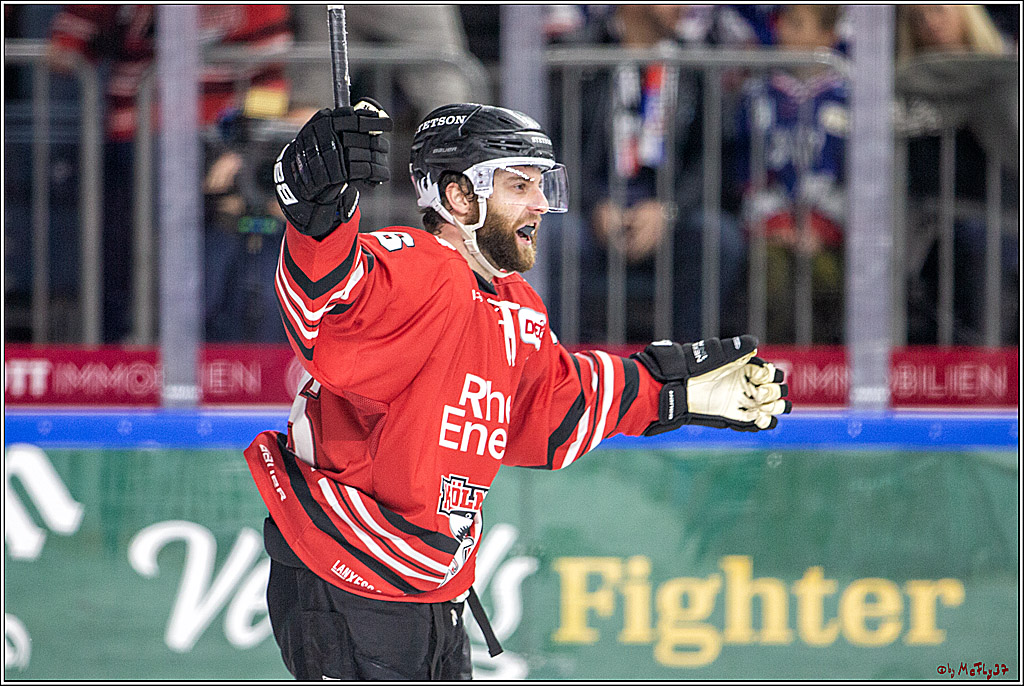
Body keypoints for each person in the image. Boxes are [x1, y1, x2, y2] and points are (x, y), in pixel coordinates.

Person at [242, 99, 791, 680]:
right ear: (459, 196)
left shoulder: (514, 304)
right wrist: (319, 212)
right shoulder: (418, 268)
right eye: (519, 184)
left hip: (430, 580)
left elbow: (550, 407)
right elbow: (329, 308)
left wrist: (669, 390)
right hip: (349, 571)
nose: (540, 204)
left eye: (542, 184)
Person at [46, 5, 293, 342]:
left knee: (223, 257)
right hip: (139, 135)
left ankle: (216, 358)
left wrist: (245, 147)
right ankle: (135, 351)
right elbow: (64, 52)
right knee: (136, 262)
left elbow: (271, 77)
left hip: (225, 145)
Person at [554, 5, 748, 343]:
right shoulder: (579, 54)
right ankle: (558, 367)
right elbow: (554, 145)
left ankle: (688, 367)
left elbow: (713, 157)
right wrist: (593, 204)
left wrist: (668, 209)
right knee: (558, 236)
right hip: (589, 213)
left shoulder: (695, 64)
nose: (684, 7)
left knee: (718, 238)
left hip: (669, 215)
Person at [732, 5, 848, 344]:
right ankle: (770, 371)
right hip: (770, 230)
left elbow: (855, 180)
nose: (783, 33)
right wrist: (776, 223)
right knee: (772, 274)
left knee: (829, 278)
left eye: (797, 25)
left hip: (830, 233)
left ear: (829, 36)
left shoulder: (849, 97)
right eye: (782, 22)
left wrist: (822, 226)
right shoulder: (756, 95)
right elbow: (746, 173)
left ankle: (829, 379)